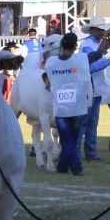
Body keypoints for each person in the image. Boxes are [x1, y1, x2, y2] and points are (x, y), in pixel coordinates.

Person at [42, 33, 91, 176]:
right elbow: (97, 56)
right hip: (76, 106)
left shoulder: (52, 62)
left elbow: (45, 68)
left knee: (67, 140)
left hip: (61, 107)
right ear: (75, 46)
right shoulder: (81, 60)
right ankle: (77, 168)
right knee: (71, 140)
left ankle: (62, 167)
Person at [79, 17, 110, 162]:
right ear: (93, 30)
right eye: (100, 30)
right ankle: (80, 151)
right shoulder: (87, 45)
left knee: (92, 122)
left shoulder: (96, 44)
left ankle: (91, 152)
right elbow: (91, 66)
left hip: (96, 87)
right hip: (89, 87)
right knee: (85, 121)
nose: (103, 32)